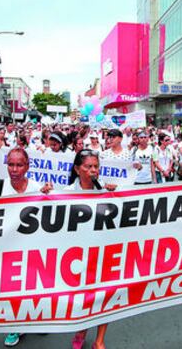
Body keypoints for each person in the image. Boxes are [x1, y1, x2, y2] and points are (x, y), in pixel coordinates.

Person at [0, 147, 52, 347]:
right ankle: (14, 325)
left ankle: (36, 319)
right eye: (11, 164)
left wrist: (48, 196)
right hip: (8, 249)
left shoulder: (37, 187)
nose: (14, 169)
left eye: (19, 165)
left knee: (34, 285)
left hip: (33, 247)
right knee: (11, 288)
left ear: (27, 166)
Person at [68, 149, 116, 349]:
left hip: (102, 252)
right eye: (88, 167)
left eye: (96, 166)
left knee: (105, 296)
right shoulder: (67, 193)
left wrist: (116, 195)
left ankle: (99, 340)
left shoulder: (105, 191)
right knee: (83, 297)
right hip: (78, 256)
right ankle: (81, 329)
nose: (93, 171)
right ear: (78, 169)